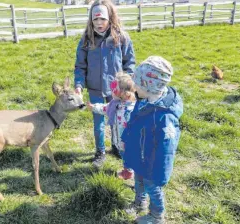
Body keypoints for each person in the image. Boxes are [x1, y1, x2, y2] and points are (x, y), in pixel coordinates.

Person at [121, 56, 183, 224]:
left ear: (150, 86)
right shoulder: (144, 100)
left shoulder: (164, 117)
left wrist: (160, 174)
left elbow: (167, 149)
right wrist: (125, 138)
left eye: (138, 84)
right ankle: (140, 202)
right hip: (141, 155)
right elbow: (133, 121)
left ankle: (156, 216)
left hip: (153, 163)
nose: (134, 87)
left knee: (152, 187)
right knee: (139, 179)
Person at [74, 0, 136, 167]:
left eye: (103, 19)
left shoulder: (121, 37)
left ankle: (116, 146)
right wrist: (78, 85)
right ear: (91, 20)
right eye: (95, 19)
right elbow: (80, 66)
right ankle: (100, 151)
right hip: (95, 89)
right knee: (98, 123)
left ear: (110, 18)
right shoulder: (87, 40)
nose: (99, 23)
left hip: (116, 91)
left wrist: (126, 84)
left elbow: (129, 62)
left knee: (117, 120)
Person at [87, 73, 135, 179]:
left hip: (130, 142)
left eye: (113, 89)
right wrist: (94, 107)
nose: (111, 91)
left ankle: (135, 176)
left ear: (123, 93)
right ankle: (128, 171)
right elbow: (105, 108)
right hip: (120, 140)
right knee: (124, 156)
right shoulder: (115, 104)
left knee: (131, 158)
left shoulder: (132, 109)